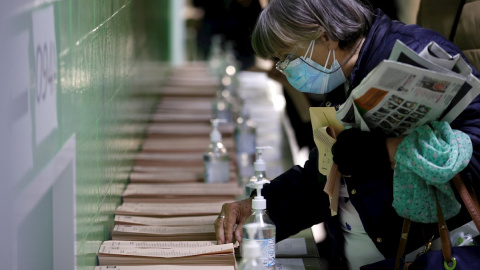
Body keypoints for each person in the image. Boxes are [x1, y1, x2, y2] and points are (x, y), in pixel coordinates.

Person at [213, 0, 480, 269]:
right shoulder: (338, 74)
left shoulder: (414, 51)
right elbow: (327, 172)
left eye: (289, 57)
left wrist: (385, 151)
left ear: (324, 36)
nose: (285, 68)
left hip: (429, 253)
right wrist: (263, 207)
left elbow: (474, 148)